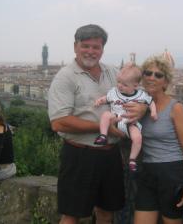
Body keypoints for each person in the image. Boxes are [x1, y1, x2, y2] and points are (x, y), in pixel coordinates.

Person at [48, 24, 146, 224]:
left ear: (102, 49)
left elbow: (135, 94)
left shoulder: (113, 73)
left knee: (107, 211)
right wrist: (101, 128)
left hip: (110, 154)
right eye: (86, 46)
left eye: (96, 47)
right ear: (75, 46)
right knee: (71, 214)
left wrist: (143, 109)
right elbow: (58, 122)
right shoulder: (65, 77)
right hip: (79, 154)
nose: (90, 51)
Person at [134, 56, 183, 224]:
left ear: (166, 82)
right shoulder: (141, 107)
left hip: (172, 173)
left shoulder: (175, 108)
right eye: (148, 73)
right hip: (148, 172)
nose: (152, 77)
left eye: (158, 75)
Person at [94, 63, 157, 172]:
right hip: (116, 116)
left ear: (135, 85)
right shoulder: (114, 92)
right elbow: (107, 98)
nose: (120, 86)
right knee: (105, 115)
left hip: (130, 122)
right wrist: (100, 100)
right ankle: (103, 135)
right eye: (119, 82)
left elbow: (151, 102)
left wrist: (153, 112)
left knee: (138, 138)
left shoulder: (141, 95)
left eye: (125, 84)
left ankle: (132, 159)